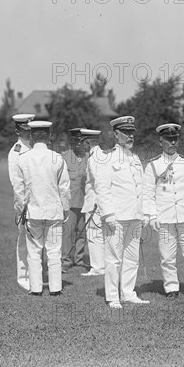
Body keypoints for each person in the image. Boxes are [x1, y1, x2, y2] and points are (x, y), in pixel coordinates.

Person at [143, 123, 184, 299]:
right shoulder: (153, 165)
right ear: (160, 141)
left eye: (175, 139)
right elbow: (147, 193)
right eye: (168, 139)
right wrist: (151, 215)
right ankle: (171, 288)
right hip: (165, 218)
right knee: (167, 257)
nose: (172, 142)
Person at [95, 116, 149, 309]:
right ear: (116, 134)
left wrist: (143, 213)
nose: (130, 136)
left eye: (132, 132)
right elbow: (102, 188)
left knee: (132, 257)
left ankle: (128, 293)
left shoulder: (134, 158)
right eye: (126, 132)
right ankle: (112, 296)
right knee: (113, 258)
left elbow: (140, 188)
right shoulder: (107, 158)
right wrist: (108, 214)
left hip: (134, 215)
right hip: (116, 217)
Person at [13, 121, 71, 296]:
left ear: (31, 137)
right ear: (49, 137)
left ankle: (36, 287)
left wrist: (19, 210)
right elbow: (64, 188)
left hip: (33, 211)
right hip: (53, 211)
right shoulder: (57, 158)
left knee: (34, 251)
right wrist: (65, 209)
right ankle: (55, 287)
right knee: (54, 251)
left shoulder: (22, 159)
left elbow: (18, 190)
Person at [7, 113, 35, 290]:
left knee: (37, 240)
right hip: (25, 202)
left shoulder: (34, 147)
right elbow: (16, 182)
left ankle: (35, 274)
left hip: (39, 200)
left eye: (31, 129)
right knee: (24, 240)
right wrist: (21, 206)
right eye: (26, 129)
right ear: (17, 129)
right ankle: (23, 276)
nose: (29, 133)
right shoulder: (17, 151)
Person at [61, 128, 90, 272]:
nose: (77, 144)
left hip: (85, 202)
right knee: (67, 232)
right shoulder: (64, 157)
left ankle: (78, 259)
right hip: (70, 202)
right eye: (74, 141)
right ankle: (65, 260)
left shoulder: (89, 158)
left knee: (82, 232)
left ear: (84, 142)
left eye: (80, 141)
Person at [79, 128, 106, 277]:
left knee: (94, 235)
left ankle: (97, 267)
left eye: (83, 142)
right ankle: (102, 265)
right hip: (99, 202)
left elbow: (99, 182)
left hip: (94, 203)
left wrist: (96, 202)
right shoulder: (102, 155)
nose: (82, 146)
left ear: (88, 142)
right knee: (101, 236)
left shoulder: (94, 158)